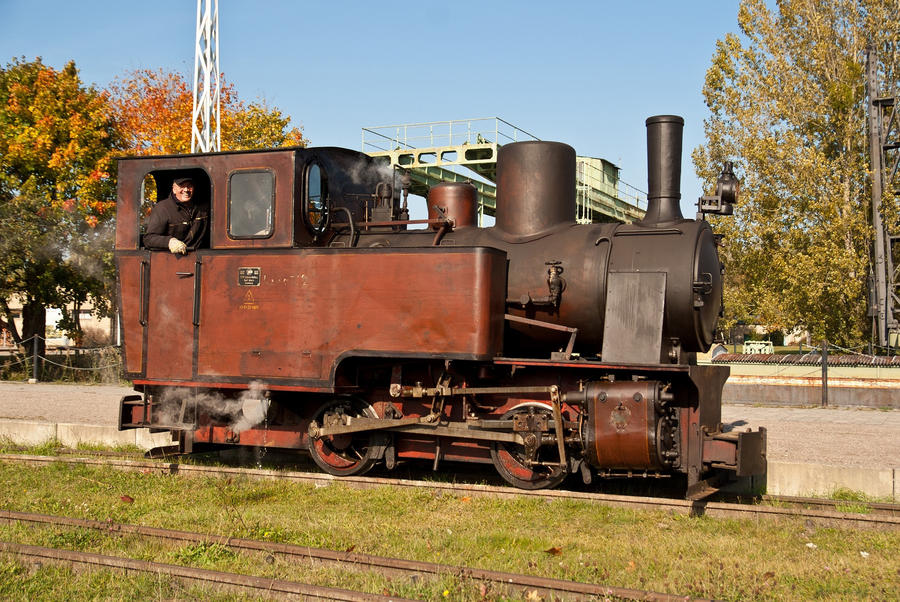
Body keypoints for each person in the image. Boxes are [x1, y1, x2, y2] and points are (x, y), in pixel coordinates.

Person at [143, 176, 210, 253]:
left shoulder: (202, 208)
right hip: (173, 260)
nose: (186, 190)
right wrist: (170, 242)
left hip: (198, 258)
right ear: (174, 189)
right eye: (182, 186)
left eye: (189, 186)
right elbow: (149, 239)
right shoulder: (162, 208)